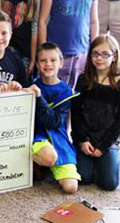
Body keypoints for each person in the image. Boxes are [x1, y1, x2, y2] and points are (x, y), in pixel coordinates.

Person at [71, 35, 120, 191]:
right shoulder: (84, 80)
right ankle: (89, 159)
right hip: (86, 136)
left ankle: (105, 159)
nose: (99, 58)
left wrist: (104, 146)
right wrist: (82, 140)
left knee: (109, 184)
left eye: (105, 54)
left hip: (107, 139)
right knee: (83, 178)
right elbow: (75, 111)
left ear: (114, 56)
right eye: (95, 54)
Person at [30, 42, 80, 194]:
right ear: (37, 64)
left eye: (53, 60)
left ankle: (40, 165)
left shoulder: (66, 91)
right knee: (49, 157)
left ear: (61, 63)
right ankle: (25, 156)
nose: (48, 64)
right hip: (38, 137)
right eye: (43, 60)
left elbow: (54, 122)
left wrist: (39, 98)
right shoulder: (31, 85)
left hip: (58, 137)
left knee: (71, 188)